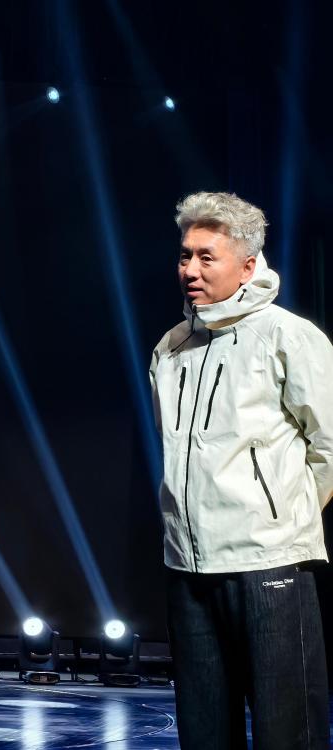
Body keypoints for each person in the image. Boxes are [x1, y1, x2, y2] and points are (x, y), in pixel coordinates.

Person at [149, 192, 333, 748]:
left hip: (267, 560)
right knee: (204, 729)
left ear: (248, 266)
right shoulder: (171, 347)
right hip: (187, 564)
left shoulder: (287, 336)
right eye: (185, 255)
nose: (190, 269)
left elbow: (328, 447)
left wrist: (280, 517)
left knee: (287, 730)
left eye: (207, 257)